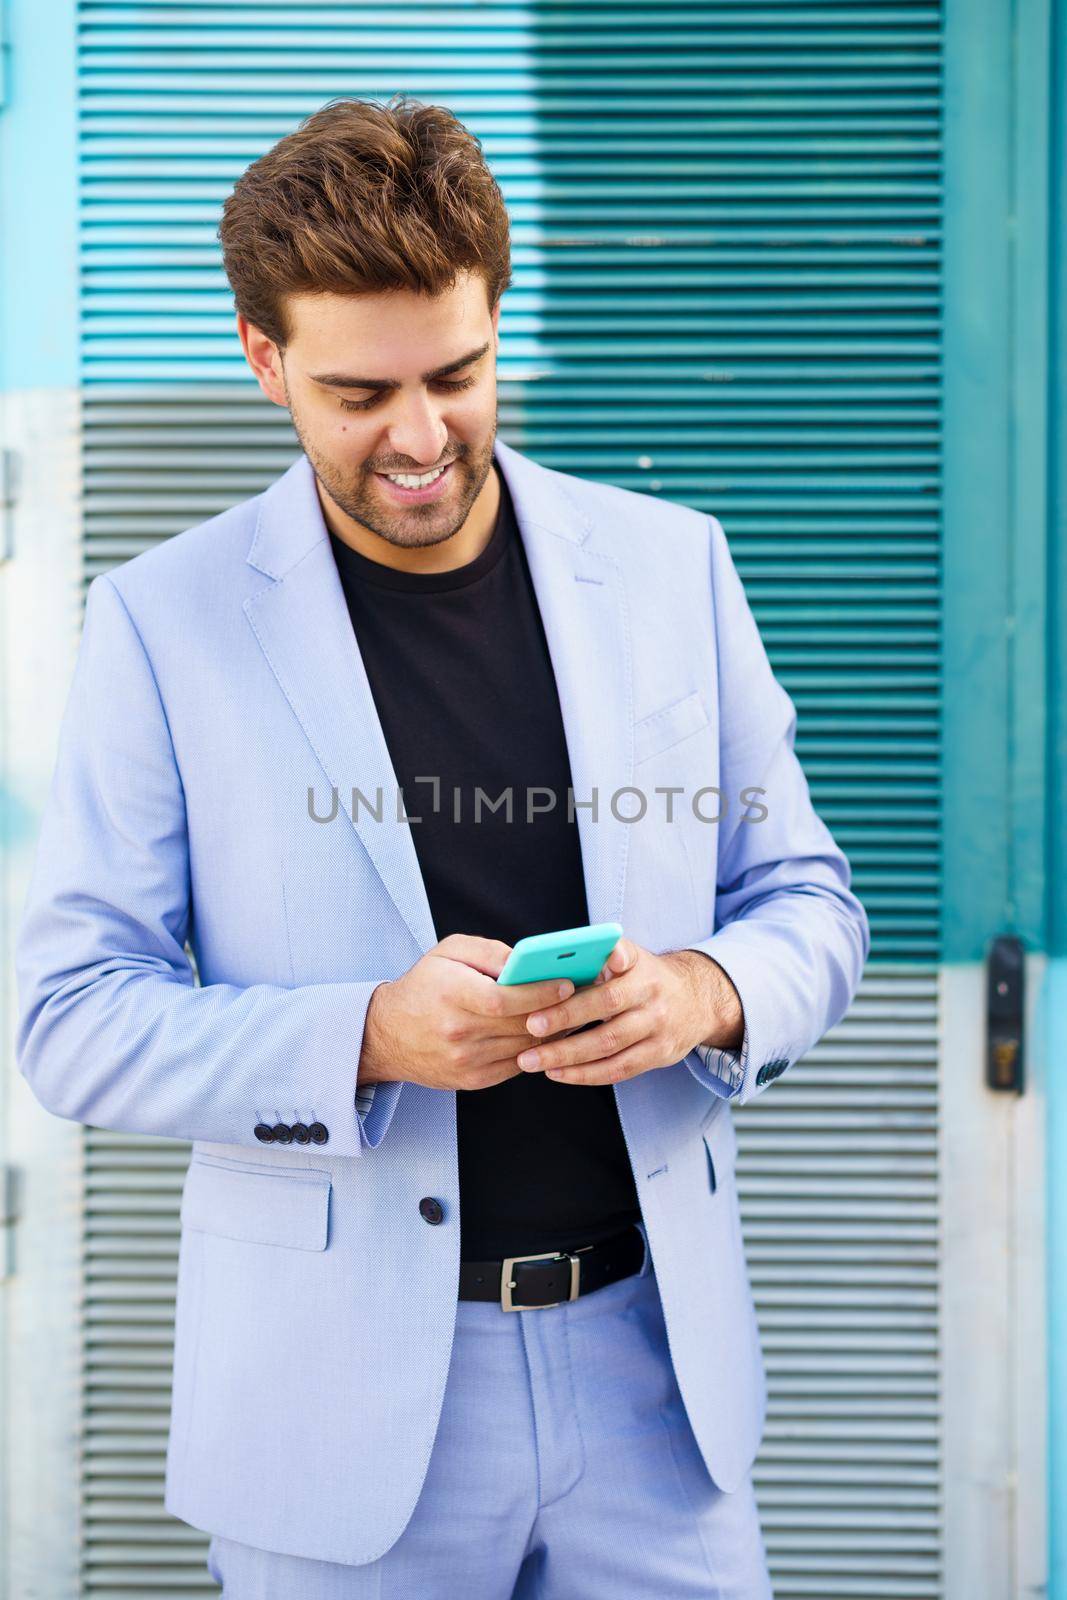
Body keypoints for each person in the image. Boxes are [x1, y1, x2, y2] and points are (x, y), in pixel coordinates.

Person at [14, 94, 870, 1597]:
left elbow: (806, 898)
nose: (420, 438)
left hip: (656, 1393)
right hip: (335, 1416)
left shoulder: (675, 568)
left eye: (457, 375)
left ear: (496, 324)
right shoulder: (160, 624)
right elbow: (71, 1021)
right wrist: (368, 1037)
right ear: (265, 360)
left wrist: (707, 992)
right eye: (359, 393)